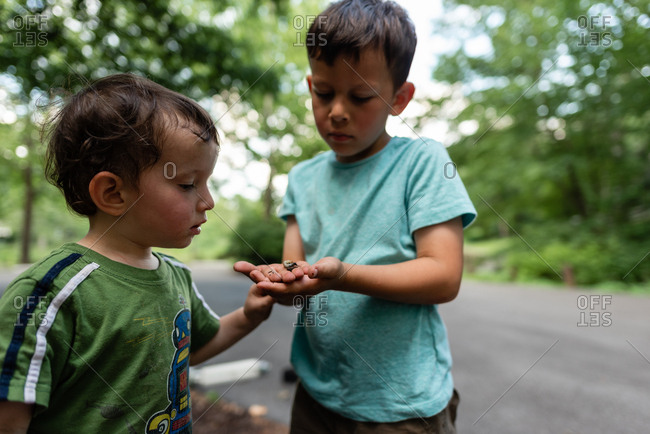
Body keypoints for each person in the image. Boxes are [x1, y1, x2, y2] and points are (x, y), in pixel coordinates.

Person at [234, 0, 477, 432]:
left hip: (401, 405)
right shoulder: (303, 178)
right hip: (317, 393)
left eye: (361, 95)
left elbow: (443, 276)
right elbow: (300, 279)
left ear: (399, 99)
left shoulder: (423, 162)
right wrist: (281, 282)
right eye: (324, 93)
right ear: (310, 86)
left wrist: (345, 275)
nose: (337, 111)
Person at [0, 73, 274, 433]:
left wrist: (251, 314)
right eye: (188, 184)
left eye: (206, 183)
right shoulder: (51, 293)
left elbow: (190, 350)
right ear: (113, 193)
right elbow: (10, 414)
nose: (208, 202)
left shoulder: (176, 275)